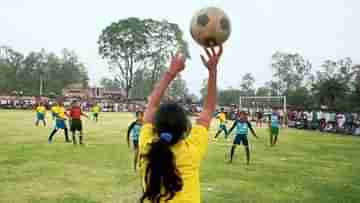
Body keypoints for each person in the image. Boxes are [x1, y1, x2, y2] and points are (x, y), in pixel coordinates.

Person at [139, 46, 222, 203]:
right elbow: (208, 110)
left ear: (155, 127)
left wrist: (171, 72)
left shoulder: (147, 146)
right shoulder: (191, 151)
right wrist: (212, 71)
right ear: (185, 129)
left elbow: (151, 106)